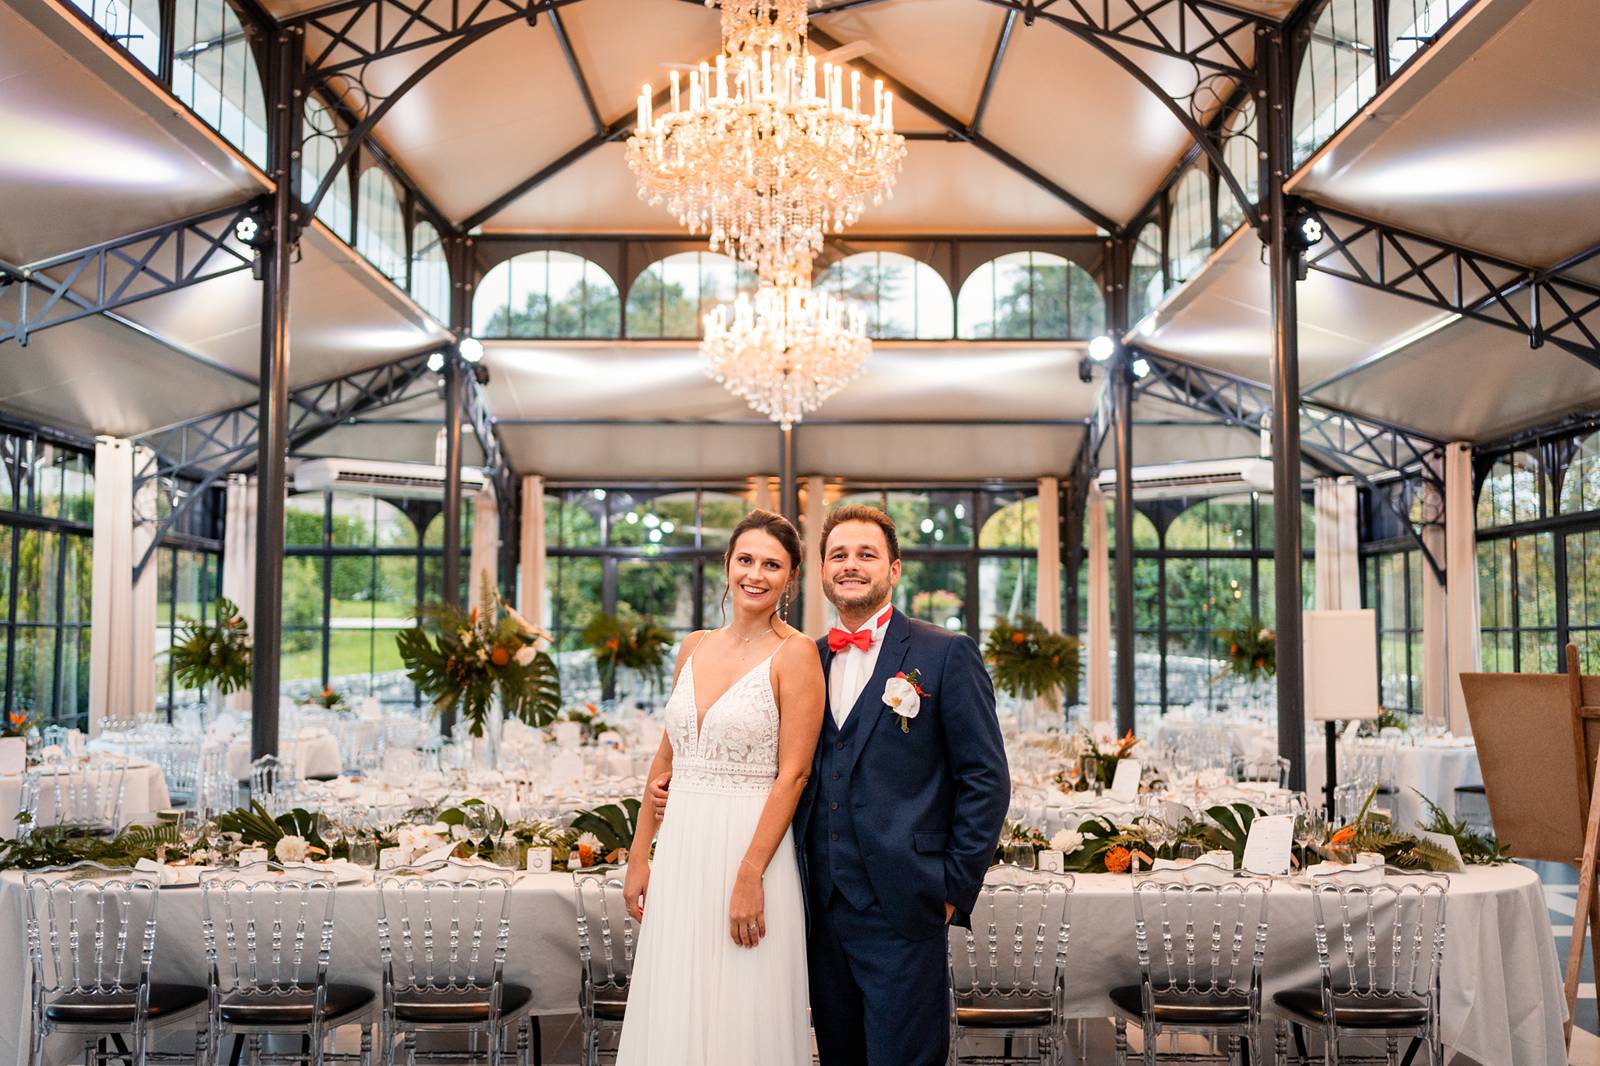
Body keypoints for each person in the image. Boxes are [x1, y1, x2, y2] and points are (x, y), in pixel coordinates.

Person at [651, 503, 1010, 1066]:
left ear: (894, 569)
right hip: (815, 905)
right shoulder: (802, 657)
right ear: (819, 571)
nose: (851, 565)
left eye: (867, 554)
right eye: (838, 555)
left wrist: (949, 889)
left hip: (905, 904)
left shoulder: (944, 653)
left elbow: (985, 780)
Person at [616, 509, 824, 1066]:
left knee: (742, 998)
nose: (756, 574)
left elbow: (795, 774)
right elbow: (666, 755)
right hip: (683, 847)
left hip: (750, 847)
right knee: (676, 993)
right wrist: (640, 854)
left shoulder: (797, 654)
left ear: (791, 577)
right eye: (746, 560)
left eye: (772, 564)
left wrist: (751, 875)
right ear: (728, 565)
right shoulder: (694, 645)